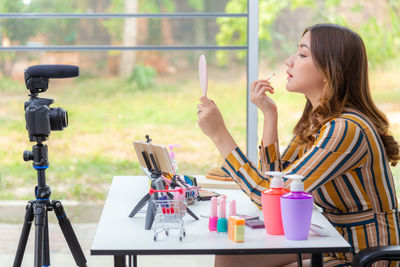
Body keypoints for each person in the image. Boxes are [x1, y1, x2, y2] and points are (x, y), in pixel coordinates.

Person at [197, 23, 400, 267]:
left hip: (360, 255)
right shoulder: (318, 121)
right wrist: (269, 116)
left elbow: (269, 197)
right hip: (331, 240)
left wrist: (220, 136)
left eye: (302, 54)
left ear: (329, 70)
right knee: (231, 257)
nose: (289, 61)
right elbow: (276, 180)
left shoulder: (345, 129)